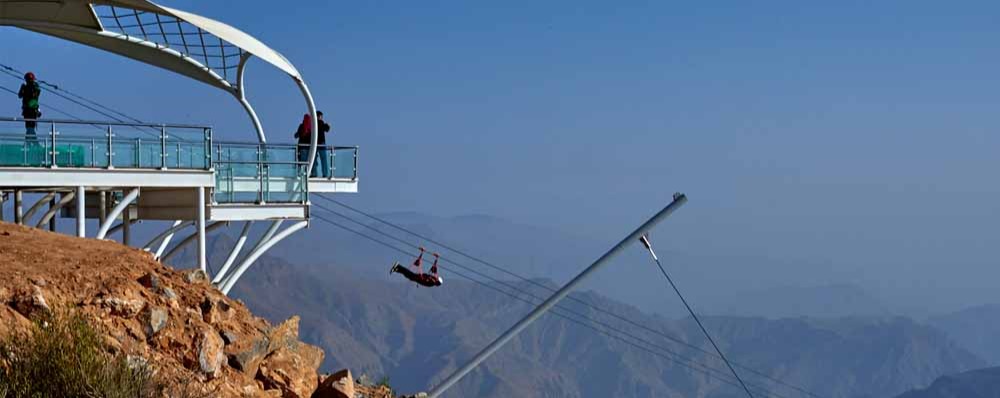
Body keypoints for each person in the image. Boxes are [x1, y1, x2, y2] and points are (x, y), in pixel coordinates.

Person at [293, 111, 331, 178]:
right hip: (318, 144)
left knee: (308, 161)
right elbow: (327, 129)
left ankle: (308, 174)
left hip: (307, 146)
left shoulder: (307, 125)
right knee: (322, 159)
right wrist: (328, 125)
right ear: (319, 116)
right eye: (321, 117)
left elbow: (296, 135)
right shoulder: (318, 123)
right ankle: (324, 174)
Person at [17, 72, 41, 142]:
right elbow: (20, 95)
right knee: (30, 127)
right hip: (31, 110)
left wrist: (22, 88)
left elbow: (20, 95)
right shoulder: (35, 87)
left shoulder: (31, 87)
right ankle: (30, 142)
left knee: (29, 127)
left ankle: (31, 142)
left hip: (29, 110)